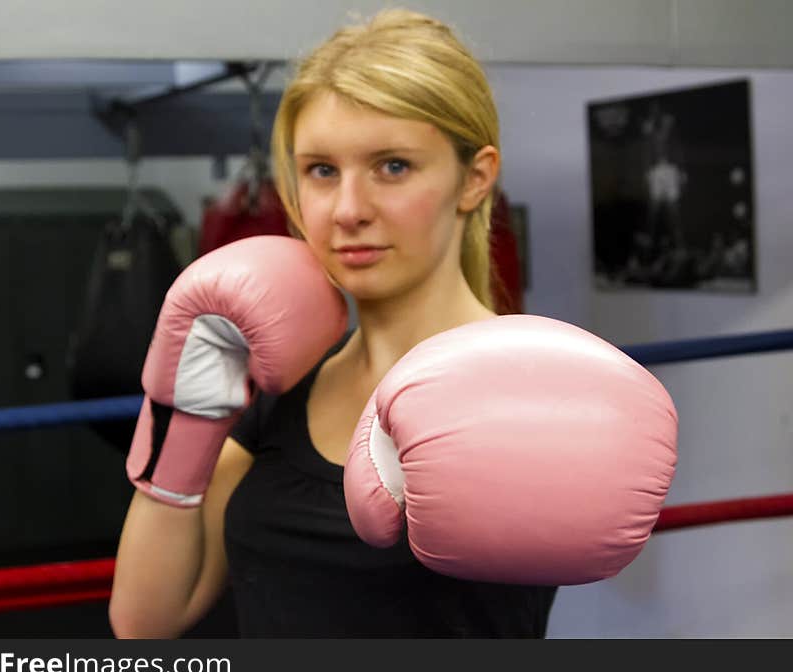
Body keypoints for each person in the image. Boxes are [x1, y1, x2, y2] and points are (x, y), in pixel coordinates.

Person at [109, 8, 559, 639]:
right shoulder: (284, 388)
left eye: (392, 166)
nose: (348, 210)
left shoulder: (533, 389)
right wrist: (183, 414)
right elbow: (143, 622)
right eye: (322, 170)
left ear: (475, 178)